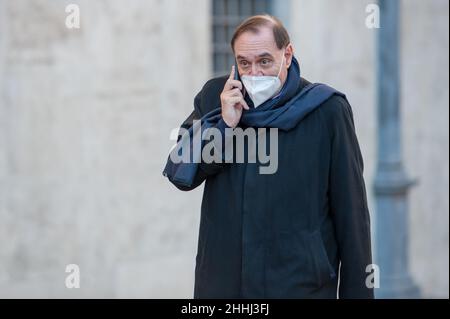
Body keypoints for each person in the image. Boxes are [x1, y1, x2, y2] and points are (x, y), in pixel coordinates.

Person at [163, 15, 374, 299]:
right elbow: (181, 171)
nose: (254, 74)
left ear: (287, 55)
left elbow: (352, 214)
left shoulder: (327, 110)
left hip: (299, 284)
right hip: (225, 283)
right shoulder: (216, 97)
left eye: (264, 61)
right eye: (244, 63)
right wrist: (224, 126)